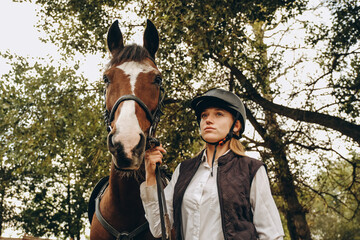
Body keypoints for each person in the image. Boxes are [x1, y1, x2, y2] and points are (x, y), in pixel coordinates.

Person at [140, 88, 285, 240]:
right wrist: (150, 175)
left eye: (219, 114)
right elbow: (159, 228)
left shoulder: (251, 169)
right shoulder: (183, 170)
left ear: (236, 126)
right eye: (204, 115)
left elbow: (271, 234)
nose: (208, 120)